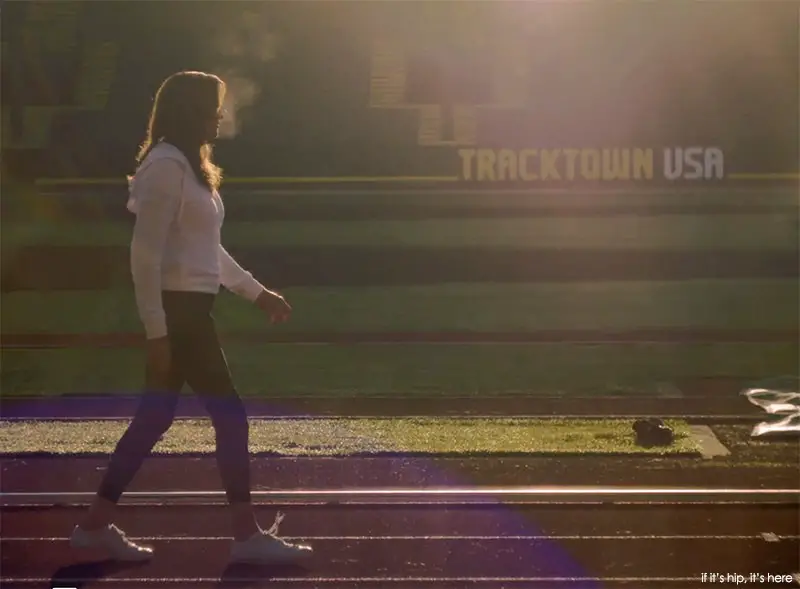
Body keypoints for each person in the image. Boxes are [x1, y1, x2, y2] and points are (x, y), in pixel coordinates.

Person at [69, 71, 312, 566]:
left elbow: (207, 250)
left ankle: (93, 526)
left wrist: (256, 293)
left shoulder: (189, 166)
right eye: (211, 107)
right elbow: (144, 256)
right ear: (188, 112)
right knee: (230, 417)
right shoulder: (165, 168)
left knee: (154, 419)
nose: (219, 116)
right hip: (180, 315)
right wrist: (157, 331)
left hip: (191, 309)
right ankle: (246, 536)